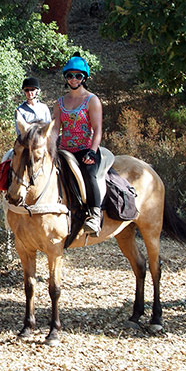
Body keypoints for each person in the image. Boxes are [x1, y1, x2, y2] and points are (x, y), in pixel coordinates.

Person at [52, 53, 103, 236]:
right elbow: (55, 128)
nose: (74, 79)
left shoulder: (92, 100)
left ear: (84, 78)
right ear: (66, 78)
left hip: (86, 149)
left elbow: (97, 129)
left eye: (78, 76)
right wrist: (49, 147)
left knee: (89, 174)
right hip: (65, 151)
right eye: (70, 75)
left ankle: (95, 215)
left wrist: (92, 151)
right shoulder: (59, 102)